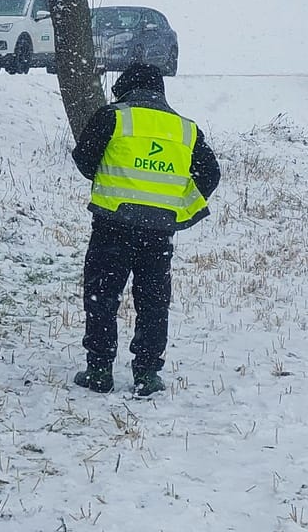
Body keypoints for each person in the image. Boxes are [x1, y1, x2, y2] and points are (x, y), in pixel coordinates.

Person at [69, 52, 219, 396]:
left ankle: (99, 370)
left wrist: (112, 179)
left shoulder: (112, 116)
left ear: (124, 90)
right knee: (153, 301)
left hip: (112, 225)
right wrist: (178, 203)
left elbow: (84, 158)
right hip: (159, 231)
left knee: (102, 296)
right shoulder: (186, 129)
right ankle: (147, 373)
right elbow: (210, 174)